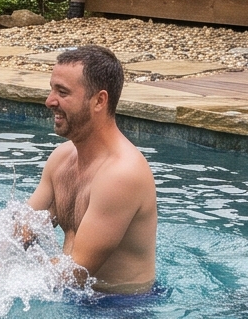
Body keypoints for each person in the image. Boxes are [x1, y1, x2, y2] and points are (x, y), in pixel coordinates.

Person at [25, 44, 158, 295]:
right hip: (73, 295)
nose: (49, 101)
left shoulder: (122, 174)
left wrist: (0, 283)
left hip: (121, 308)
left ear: (99, 101)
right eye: (51, 89)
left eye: (62, 92)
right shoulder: (62, 159)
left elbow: (76, 272)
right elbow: (21, 231)